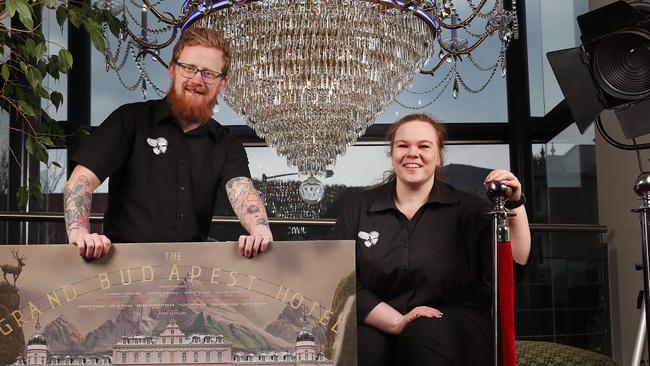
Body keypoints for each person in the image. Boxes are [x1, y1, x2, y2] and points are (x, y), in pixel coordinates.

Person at [330, 114, 531, 365]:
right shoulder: (359, 207)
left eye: (424, 146)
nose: (412, 153)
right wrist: (395, 321)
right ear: (392, 153)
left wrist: (515, 203)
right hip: (380, 318)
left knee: (422, 334)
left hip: (456, 321)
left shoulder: (470, 209)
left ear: (439, 156)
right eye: (403, 145)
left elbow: (512, 267)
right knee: (360, 346)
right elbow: (339, 279)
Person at [63, 27, 272, 260]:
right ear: (172, 70)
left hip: (188, 276)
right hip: (121, 273)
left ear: (222, 83)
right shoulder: (130, 119)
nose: (197, 80)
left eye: (209, 73)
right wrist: (80, 233)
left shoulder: (226, 144)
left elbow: (242, 191)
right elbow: (80, 182)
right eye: (189, 68)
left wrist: (260, 229)